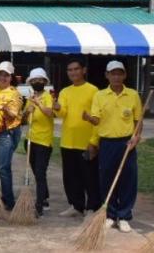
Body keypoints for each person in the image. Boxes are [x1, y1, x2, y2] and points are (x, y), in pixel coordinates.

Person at [89, 60, 142, 233]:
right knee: (107, 179)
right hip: (107, 143)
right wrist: (89, 119)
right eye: (113, 73)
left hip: (127, 142)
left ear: (125, 75)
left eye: (120, 73)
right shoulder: (99, 95)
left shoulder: (133, 95)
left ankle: (125, 215)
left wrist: (136, 137)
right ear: (107, 75)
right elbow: (96, 119)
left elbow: (138, 120)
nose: (116, 76)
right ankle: (111, 215)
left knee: (128, 179)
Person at [54, 58, 101, 218]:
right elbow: (62, 113)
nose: (73, 73)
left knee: (89, 176)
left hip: (86, 141)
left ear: (84, 70)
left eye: (76, 69)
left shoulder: (94, 91)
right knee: (70, 176)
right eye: (70, 70)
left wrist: (94, 141)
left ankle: (92, 207)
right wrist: (57, 108)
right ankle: (76, 205)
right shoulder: (65, 91)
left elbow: (97, 118)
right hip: (68, 141)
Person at [0, 61, 23, 211]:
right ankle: (4, 197)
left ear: (11, 78)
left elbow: (13, 115)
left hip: (7, 133)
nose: (3, 77)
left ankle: (8, 201)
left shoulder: (14, 93)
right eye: (1, 74)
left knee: (3, 167)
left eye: (6, 75)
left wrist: (5, 109)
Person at [24, 67, 55, 216]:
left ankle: (39, 205)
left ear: (44, 81)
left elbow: (50, 113)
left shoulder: (48, 96)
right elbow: (23, 119)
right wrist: (27, 110)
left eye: (39, 80)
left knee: (40, 172)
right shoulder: (29, 97)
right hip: (30, 139)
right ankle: (44, 197)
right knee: (37, 172)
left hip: (44, 141)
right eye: (34, 80)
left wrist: (38, 104)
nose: (37, 82)